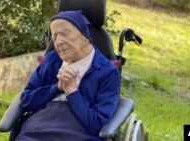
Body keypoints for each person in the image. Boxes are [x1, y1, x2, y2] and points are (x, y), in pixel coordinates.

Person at [15, 10, 120, 141]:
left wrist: (72, 91)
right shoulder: (51, 61)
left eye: (65, 34)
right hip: (36, 130)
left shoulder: (107, 72)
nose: (58, 42)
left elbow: (96, 124)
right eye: (54, 37)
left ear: (85, 36)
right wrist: (56, 88)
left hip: (77, 134)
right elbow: (27, 100)